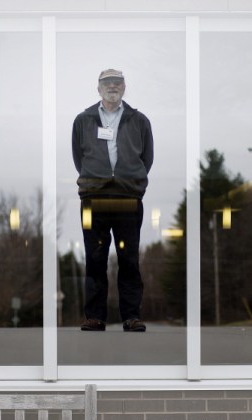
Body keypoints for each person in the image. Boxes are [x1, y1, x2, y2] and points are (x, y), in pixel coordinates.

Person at [72, 69, 153, 332]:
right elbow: (78, 157)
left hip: (128, 198)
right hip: (92, 199)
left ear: (124, 87)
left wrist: (131, 180)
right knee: (95, 259)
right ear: (98, 88)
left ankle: (131, 317)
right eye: (107, 83)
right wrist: (95, 178)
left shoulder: (139, 120)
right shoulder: (83, 120)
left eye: (117, 82)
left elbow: (147, 158)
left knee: (128, 258)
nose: (112, 86)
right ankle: (95, 317)